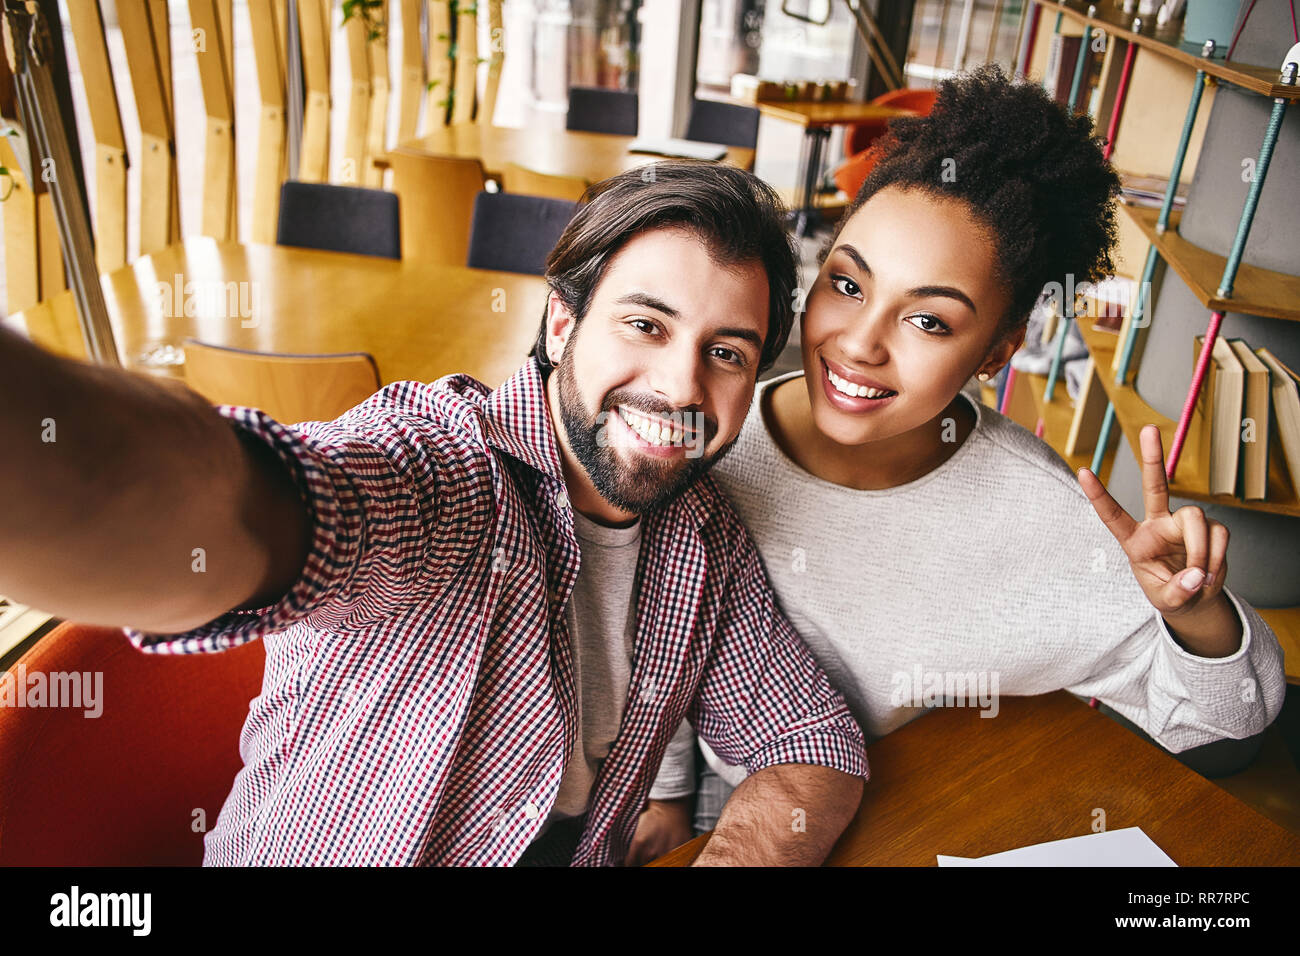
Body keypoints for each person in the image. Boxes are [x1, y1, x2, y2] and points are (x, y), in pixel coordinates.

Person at [0, 161, 870, 866]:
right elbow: (248, 509)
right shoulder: (451, 470)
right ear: (561, 324)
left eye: (724, 352)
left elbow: (815, 742)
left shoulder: (702, 533)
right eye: (645, 325)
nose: (683, 385)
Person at [631, 65, 1286, 853]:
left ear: (998, 351)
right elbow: (652, 626)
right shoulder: (716, 433)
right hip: (722, 817)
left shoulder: (1043, 518)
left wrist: (1196, 616)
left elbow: (1224, 725)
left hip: (904, 826)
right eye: (847, 283)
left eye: (931, 322)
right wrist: (662, 792)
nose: (860, 344)